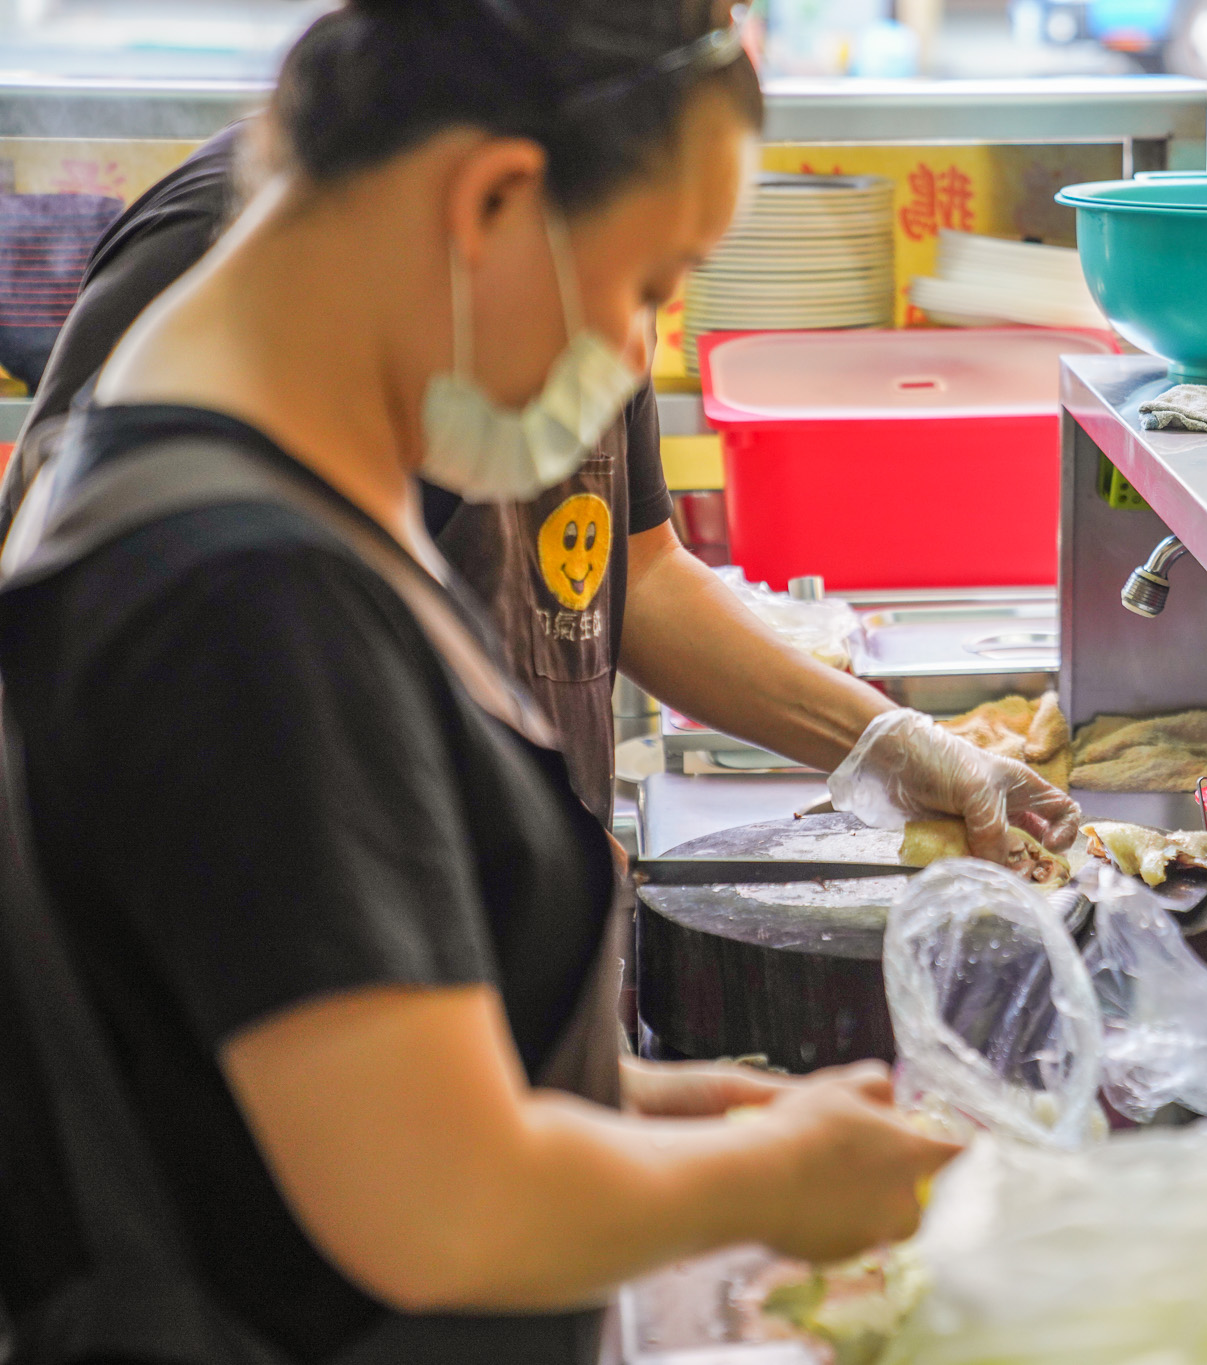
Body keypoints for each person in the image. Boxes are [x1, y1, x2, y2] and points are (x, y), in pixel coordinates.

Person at [0, 1, 1078, 1361]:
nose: (636, 360)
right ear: (495, 197)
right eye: (644, 289)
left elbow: (316, 1066)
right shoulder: (243, 597)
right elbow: (438, 1206)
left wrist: (662, 1112)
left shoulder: (243, 472)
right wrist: (767, 1185)